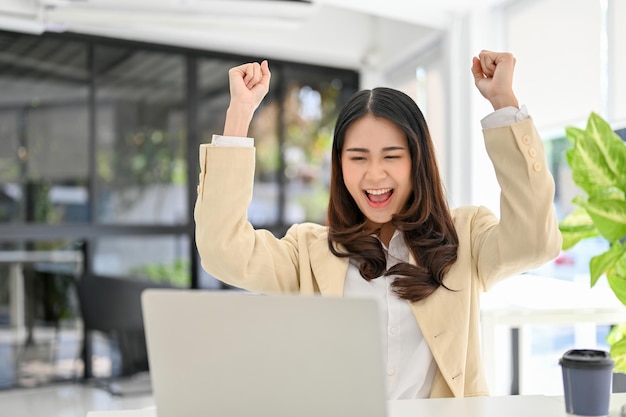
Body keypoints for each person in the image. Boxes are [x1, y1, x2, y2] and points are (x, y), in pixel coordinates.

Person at [194, 50, 562, 399]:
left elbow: (534, 242)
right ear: (339, 166)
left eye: (391, 156)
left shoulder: (464, 236)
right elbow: (223, 252)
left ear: (417, 160)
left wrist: (504, 103)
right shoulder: (308, 252)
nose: (374, 175)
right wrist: (240, 114)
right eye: (357, 158)